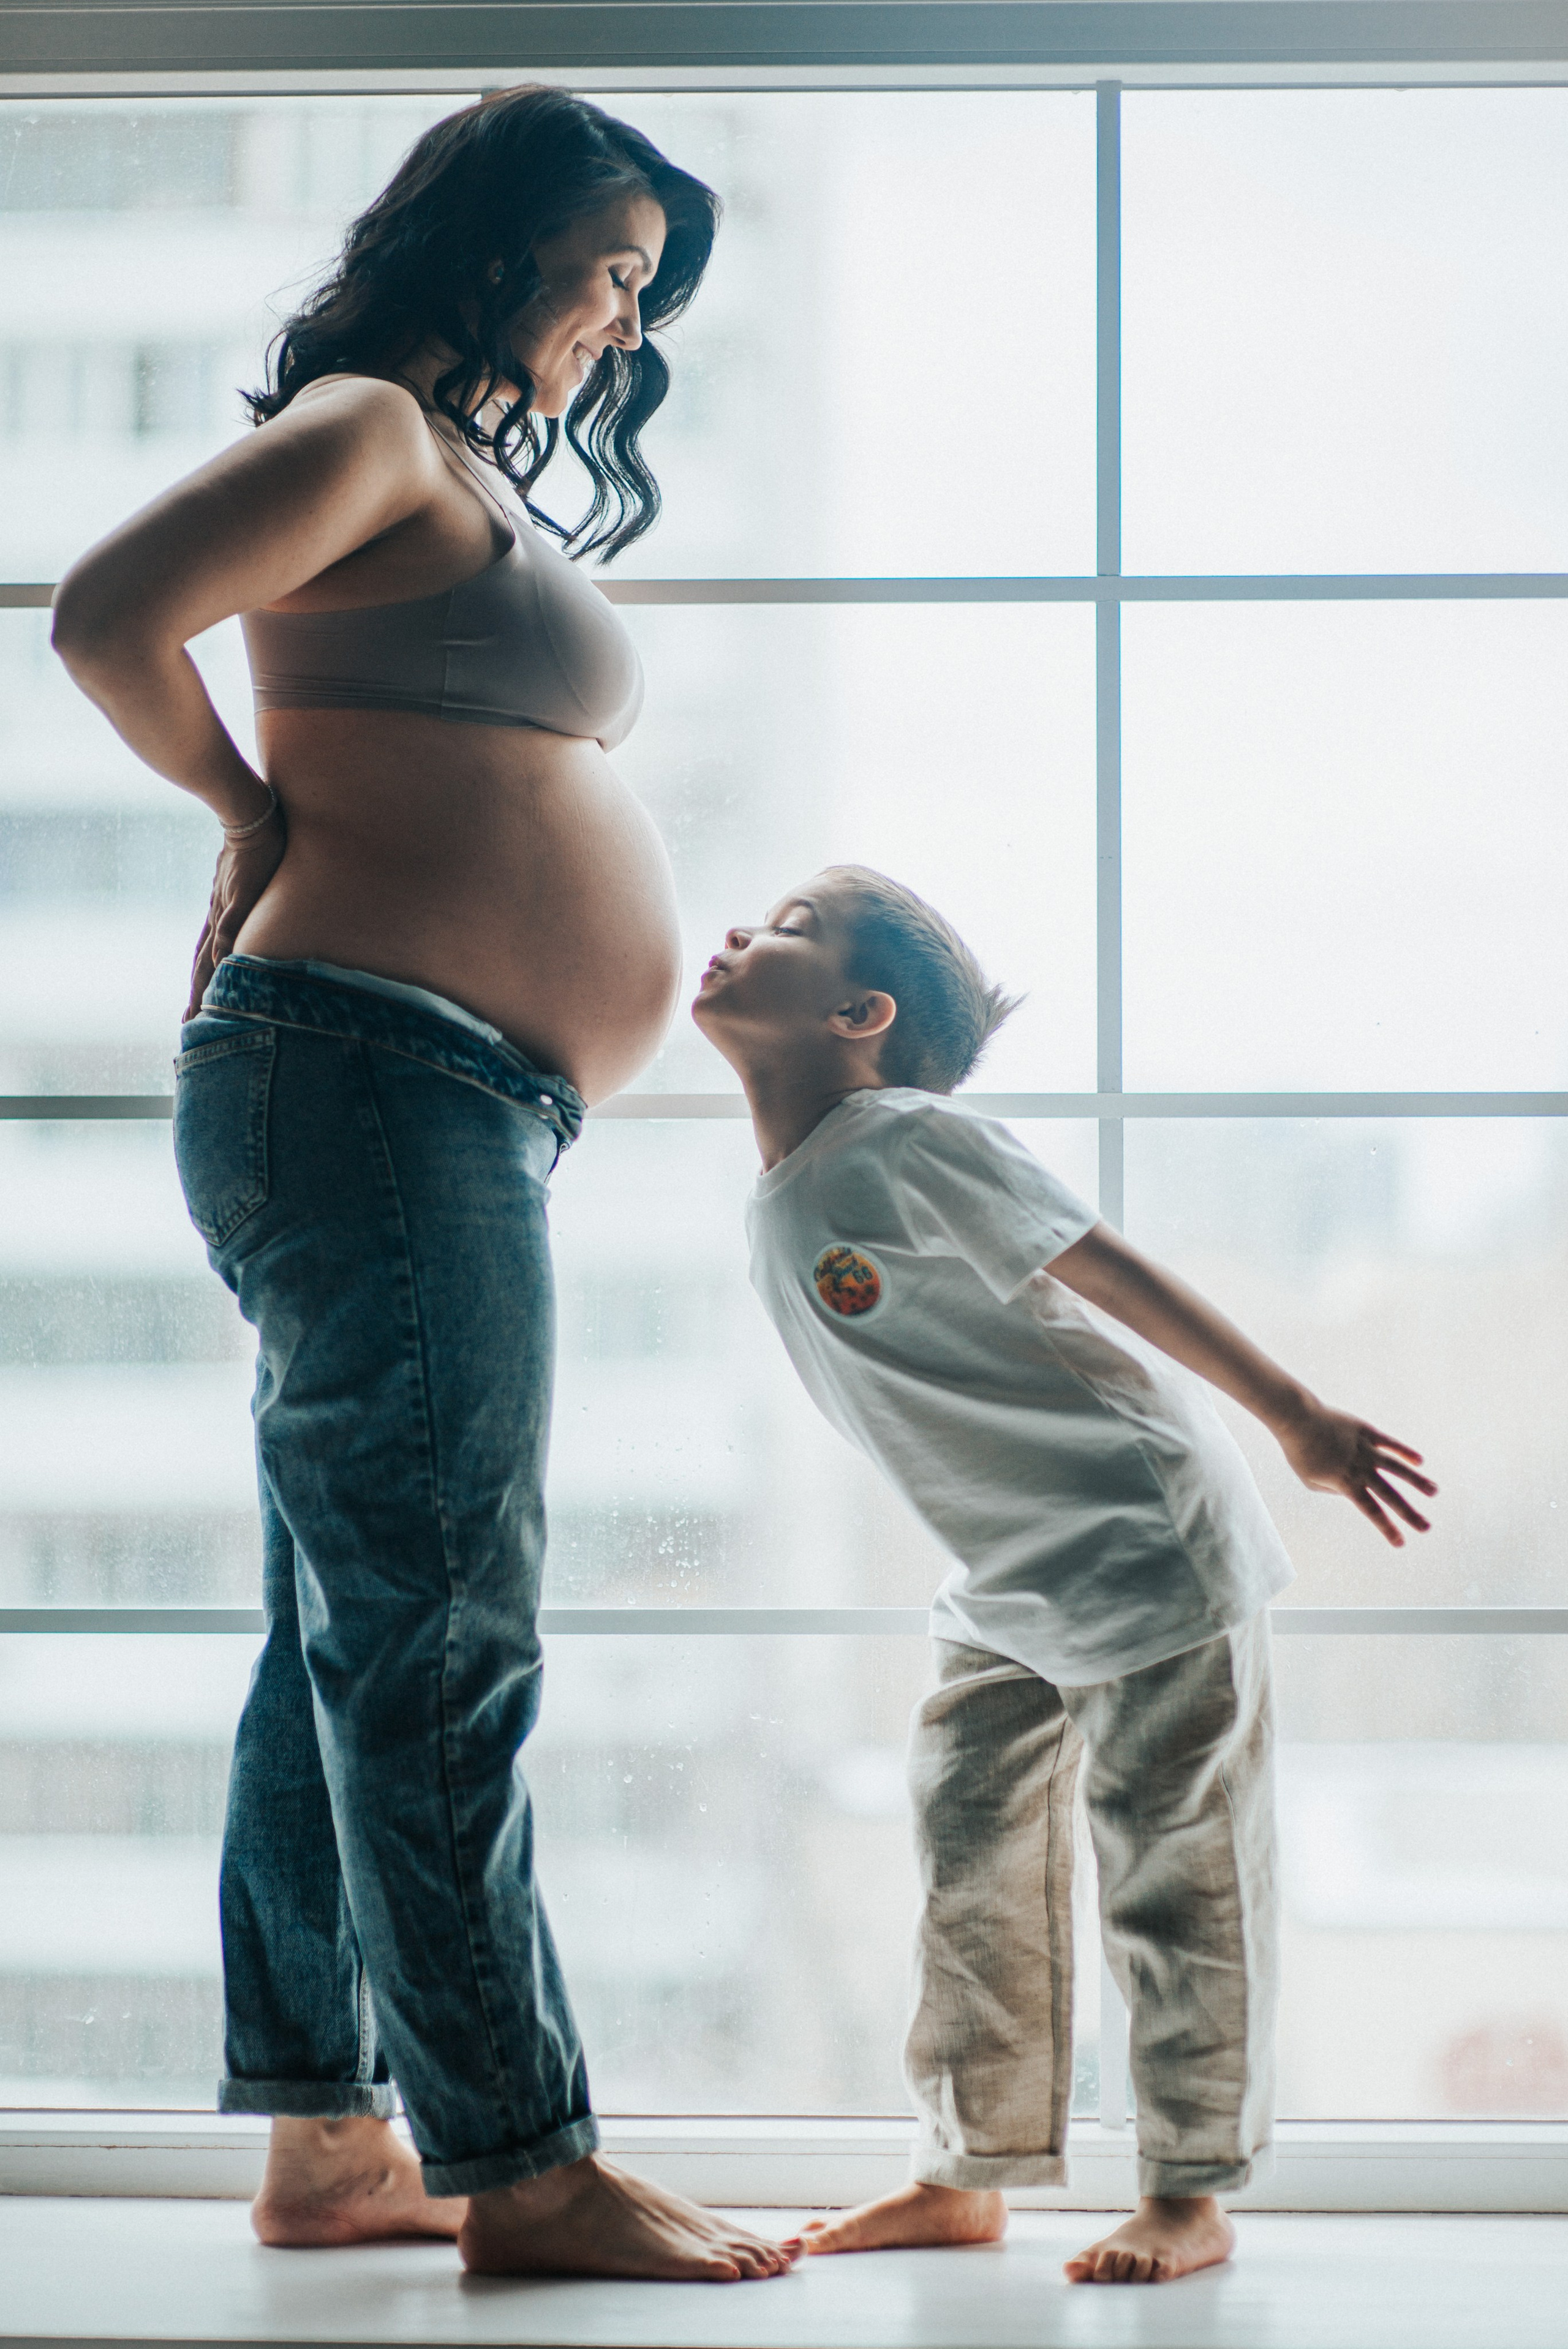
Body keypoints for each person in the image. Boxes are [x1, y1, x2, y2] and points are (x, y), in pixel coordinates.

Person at [51, 86, 796, 2285]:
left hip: (425, 1094)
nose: (617, 316)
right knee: (440, 1631)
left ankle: (328, 2135)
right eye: (602, 263)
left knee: (345, 1633)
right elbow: (108, 612)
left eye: (644, 286)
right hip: (373, 1075)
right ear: (485, 245)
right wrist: (242, 811)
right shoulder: (375, 423)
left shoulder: (451, 471)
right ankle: (522, 2155)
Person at [691, 864, 1436, 2285]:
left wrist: (1294, 1415)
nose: (738, 930)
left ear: (861, 1012)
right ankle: (968, 2170)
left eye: (786, 927)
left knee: (1175, 1873)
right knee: (968, 1855)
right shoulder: (788, 1188)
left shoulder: (904, 1137)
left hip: (1142, 1543)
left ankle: (1187, 2192)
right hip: (1011, 1578)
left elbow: (1104, 1269)